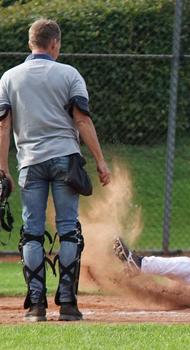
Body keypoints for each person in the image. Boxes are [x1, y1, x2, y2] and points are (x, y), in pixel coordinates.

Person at [0, 19, 111, 321]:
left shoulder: (9, 78)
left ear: (30, 43)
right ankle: (68, 305)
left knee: (32, 233)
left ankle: (36, 306)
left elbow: (3, 124)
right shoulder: (69, 74)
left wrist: (2, 168)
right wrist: (100, 161)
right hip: (65, 158)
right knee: (68, 230)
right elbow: (83, 121)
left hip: (30, 163)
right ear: (55, 44)